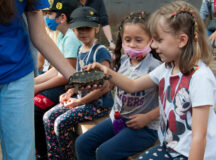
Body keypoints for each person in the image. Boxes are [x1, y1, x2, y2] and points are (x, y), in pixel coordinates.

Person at [84, 1, 216, 159]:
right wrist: (107, 72)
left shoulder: (200, 77)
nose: (152, 46)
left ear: (182, 40)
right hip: (171, 148)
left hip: (191, 154)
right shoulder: (167, 68)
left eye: (159, 40)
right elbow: (133, 85)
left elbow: (199, 137)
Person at [75, 11, 161, 160]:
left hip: (145, 127)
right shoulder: (122, 62)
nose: (132, 44)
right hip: (118, 120)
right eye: (127, 40)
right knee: (82, 143)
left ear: (151, 40)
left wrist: (147, 118)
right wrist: (88, 84)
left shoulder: (156, 68)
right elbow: (107, 85)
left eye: (138, 40)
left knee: (104, 153)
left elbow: (167, 103)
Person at [0, 0, 76, 159]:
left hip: (17, 73)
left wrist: (76, 78)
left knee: (21, 154)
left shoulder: (68, 38)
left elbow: (39, 35)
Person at [43, 6, 114, 160]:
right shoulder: (80, 49)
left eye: (87, 28)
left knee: (61, 122)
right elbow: (77, 79)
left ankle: (67, 157)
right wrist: (69, 93)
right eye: (78, 29)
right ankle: (56, 157)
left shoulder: (100, 51)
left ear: (97, 28)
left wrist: (79, 101)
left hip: (98, 105)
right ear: (73, 29)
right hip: (82, 102)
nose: (82, 32)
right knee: (48, 117)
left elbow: (104, 87)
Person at [33, 0, 82, 159]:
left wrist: (38, 87)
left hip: (70, 88)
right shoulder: (63, 36)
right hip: (62, 84)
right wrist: (35, 82)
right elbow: (56, 68)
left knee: (36, 107)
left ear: (62, 17)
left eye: (49, 14)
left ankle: (43, 153)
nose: (46, 17)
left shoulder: (71, 38)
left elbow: (66, 75)